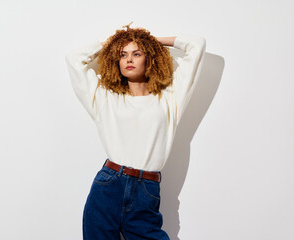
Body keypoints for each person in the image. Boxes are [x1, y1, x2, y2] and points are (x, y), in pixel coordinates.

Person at [65, 23, 206, 240]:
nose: (129, 59)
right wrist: (114, 43)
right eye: (122, 55)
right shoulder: (104, 99)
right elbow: (75, 58)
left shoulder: (169, 98)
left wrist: (151, 41)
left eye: (137, 53)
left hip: (146, 191)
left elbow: (197, 45)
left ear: (150, 57)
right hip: (107, 187)